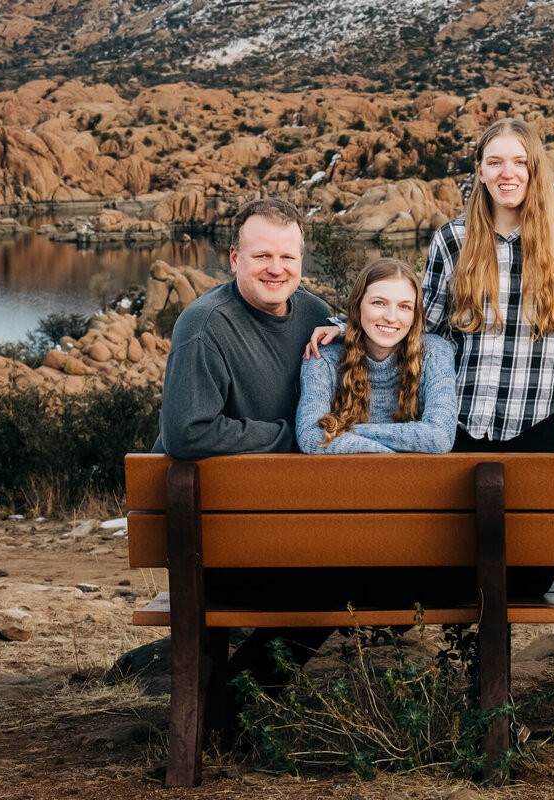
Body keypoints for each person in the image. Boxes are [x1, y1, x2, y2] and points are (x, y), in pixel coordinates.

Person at [310, 118, 554, 597]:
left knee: (528, 579)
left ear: (535, 170)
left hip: (537, 420)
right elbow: (422, 322)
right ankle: (466, 660)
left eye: (520, 162)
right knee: (454, 570)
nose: (508, 172)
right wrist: (346, 326)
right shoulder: (452, 241)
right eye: (496, 161)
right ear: (479, 171)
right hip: (459, 421)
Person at [152, 197, 338, 686]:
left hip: (281, 527)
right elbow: (187, 430)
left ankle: (229, 706)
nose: (276, 269)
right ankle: (232, 709)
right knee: (336, 583)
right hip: (214, 543)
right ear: (235, 258)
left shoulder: (316, 314)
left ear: (301, 261)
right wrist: (292, 439)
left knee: (346, 572)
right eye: (262, 257)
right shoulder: (205, 325)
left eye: (288, 258)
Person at [296, 258, 458, 455]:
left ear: (415, 314)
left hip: (416, 481)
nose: (391, 317)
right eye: (379, 302)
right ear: (358, 306)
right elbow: (310, 436)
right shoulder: (323, 357)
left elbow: (440, 436)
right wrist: (390, 457)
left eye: (404, 306)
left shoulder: (434, 353)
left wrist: (339, 432)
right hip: (345, 481)